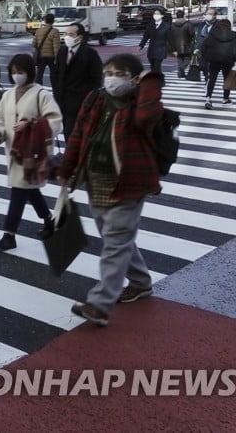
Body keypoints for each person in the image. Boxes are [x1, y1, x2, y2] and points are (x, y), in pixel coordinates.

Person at [59, 54, 163, 326]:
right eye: (109, 72)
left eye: (119, 73)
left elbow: (146, 118)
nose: (112, 78)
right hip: (96, 181)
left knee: (115, 242)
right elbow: (78, 136)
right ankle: (141, 283)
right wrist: (66, 170)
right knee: (116, 237)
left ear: (134, 78)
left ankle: (100, 304)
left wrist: (149, 79)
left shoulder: (140, 102)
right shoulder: (96, 99)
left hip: (130, 182)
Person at [0, 54, 62, 251]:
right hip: (14, 151)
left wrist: (31, 125)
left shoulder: (41, 94)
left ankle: (9, 235)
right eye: (13, 72)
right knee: (28, 188)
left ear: (30, 72)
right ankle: (49, 220)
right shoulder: (7, 95)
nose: (16, 76)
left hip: (33, 152)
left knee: (19, 190)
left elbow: (55, 121)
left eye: (20, 72)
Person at [52, 22, 103, 139]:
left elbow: (96, 78)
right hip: (63, 101)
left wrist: (87, 96)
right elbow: (55, 73)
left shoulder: (90, 54)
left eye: (71, 34)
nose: (67, 37)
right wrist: (57, 92)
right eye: (66, 34)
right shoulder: (62, 51)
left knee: (77, 133)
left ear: (80, 37)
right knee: (67, 131)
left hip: (81, 101)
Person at [201, 18, 236, 109]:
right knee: (227, 80)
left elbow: (204, 47)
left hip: (214, 60)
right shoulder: (233, 35)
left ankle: (208, 98)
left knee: (212, 79)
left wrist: (207, 57)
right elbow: (235, 50)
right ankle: (225, 99)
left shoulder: (212, 34)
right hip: (227, 61)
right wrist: (233, 59)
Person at [138, 8, 170, 75]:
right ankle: (159, 77)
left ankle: (157, 80)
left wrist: (173, 49)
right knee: (152, 66)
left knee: (157, 66)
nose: (156, 15)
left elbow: (170, 38)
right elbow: (146, 36)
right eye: (154, 14)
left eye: (157, 14)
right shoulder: (150, 25)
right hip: (151, 49)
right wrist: (141, 46)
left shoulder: (166, 26)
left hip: (161, 49)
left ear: (162, 15)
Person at [32, 13, 61, 86]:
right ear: (53, 21)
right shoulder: (55, 31)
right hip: (51, 57)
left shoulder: (38, 30)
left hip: (41, 56)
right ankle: (55, 92)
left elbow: (34, 43)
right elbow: (56, 47)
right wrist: (57, 58)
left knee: (39, 75)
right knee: (53, 75)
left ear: (45, 21)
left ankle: (39, 90)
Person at [168, 9, 197, 79]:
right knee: (187, 59)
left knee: (179, 59)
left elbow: (170, 36)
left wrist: (172, 48)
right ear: (183, 16)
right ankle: (181, 69)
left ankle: (181, 73)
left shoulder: (172, 25)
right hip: (187, 45)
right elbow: (192, 34)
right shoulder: (188, 24)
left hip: (176, 46)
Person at [194, 7, 218, 81]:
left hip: (213, 50)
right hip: (202, 49)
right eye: (207, 14)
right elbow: (198, 37)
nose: (208, 15)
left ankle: (208, 80)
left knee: (210, 67)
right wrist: (196, 48)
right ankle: (206, 77)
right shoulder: (202, 24)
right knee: (202, 66)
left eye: (210, 14)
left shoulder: (218, 24)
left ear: (214, 16)